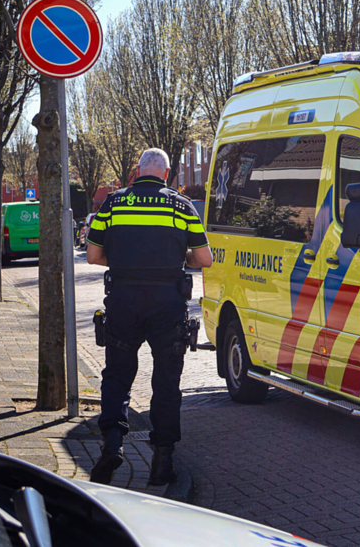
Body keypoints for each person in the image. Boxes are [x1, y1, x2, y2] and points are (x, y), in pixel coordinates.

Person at [86, 149, 213, 486]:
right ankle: (162, 462)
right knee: (167, 384)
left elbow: (93, 255)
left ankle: (112, 445)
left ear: (137, 171)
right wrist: (176, 255)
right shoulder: (181, 205)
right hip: (166, 303)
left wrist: (126, 260)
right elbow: (205, 259)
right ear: (167, 172)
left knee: (116, 377)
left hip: (123, 300)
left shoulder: (112, 203)